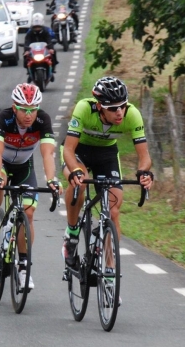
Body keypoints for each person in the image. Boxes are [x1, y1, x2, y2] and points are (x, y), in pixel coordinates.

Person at [61, 76, 154, 270]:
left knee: (113, 211)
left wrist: (144, 172)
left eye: (122, 106)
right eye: (112, 108)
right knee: (80, 181)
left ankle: (110, 272)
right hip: (79, 151)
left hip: (107, 154)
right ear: (100, 106)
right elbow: (68, 149)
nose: (119, 112)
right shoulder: (84, 109)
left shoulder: (132, 115)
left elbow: (144, 156)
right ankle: (71, 234)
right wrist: (76, 171)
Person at [0, 83, 60, 290]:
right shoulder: (3, 118)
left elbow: (48, 153)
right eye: (24, 109)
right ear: (15, 107)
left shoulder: (43, 120)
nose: (29, 114)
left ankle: (24, 267)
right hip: (0, 162)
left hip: (24, 166)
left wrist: (52, 179)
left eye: (33, 109)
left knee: (29, 213)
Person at [23, 13, 58, 80]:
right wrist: (26, 50)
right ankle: (29, 73)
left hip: (44, 49)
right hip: (33, 50)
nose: (37, 28)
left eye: (38, 27)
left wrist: (51, 48)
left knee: (53, 54)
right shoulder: (29, 32)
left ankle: (52, 71)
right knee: (25, 57)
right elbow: (27, 41)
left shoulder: (46, 31)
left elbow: (49, 40)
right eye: (35, 27)